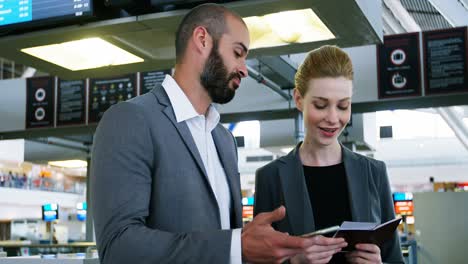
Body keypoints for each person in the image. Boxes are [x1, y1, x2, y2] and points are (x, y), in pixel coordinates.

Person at [91, 4, 346, 264]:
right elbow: (119, 247)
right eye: (238, 53)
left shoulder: (224, 140)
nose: (245, 70)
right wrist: (238, 245)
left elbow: (227, 250)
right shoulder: (131, 120)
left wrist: (290, 257)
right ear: (202, 40)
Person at [254, 45, 404, 264]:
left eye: (343, 106)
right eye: (321, 105)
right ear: (298, 99)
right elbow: (258, 259)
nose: (333, 118)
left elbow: (394, 258)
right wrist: (294, 262)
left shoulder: (374, 172)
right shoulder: (271, 177)